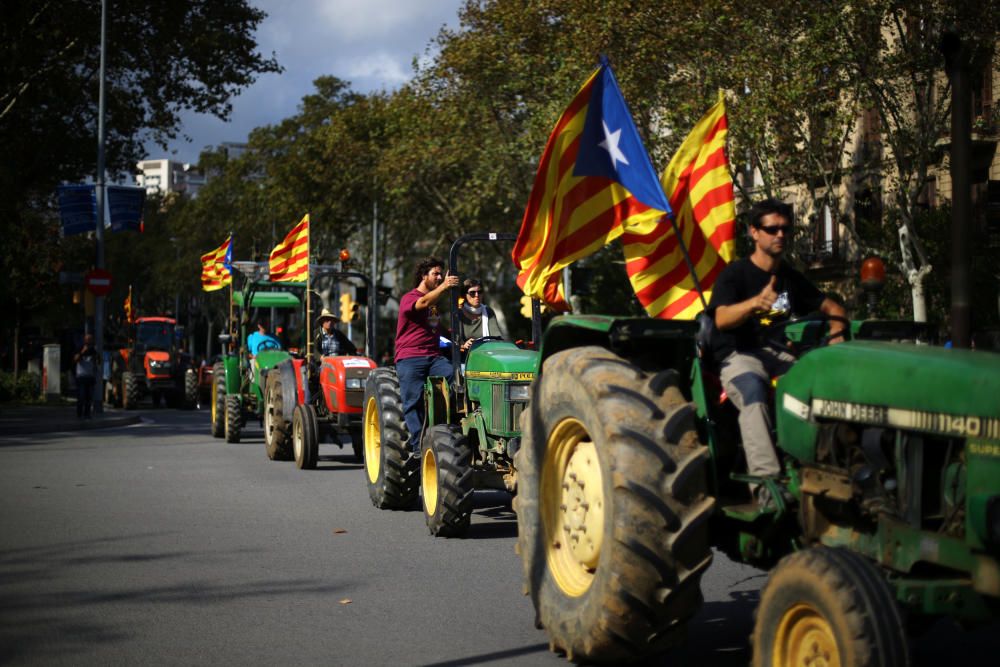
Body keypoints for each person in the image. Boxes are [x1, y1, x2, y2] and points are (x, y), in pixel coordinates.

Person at [706, 198, 846, 503]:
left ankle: (823, 472)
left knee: (822, 390)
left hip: (777, 354)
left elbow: (833, 307)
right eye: (772, 229)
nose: (780, 235)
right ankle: (766, 485)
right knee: (753, 393)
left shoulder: (789, 278)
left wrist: (837, 332)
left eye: (785, 229)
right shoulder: (735, 275)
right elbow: (721, 318)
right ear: (754, 232)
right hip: (739, 356)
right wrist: (755, 303)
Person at [394, 257, 459, 455]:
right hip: (410, 357)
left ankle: (449, 430)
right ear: (424, 277)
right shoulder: (410, 297)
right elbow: (421, 303)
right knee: (411, 400)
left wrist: (457, 343)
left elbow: (438, 333)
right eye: (435, 274)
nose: (439, 277)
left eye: (441, 274)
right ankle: (417, 445)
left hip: (433, 356)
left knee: (455, 378)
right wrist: (445, 287)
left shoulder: (433, 306)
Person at [458, 278, 506, 353]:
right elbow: (456, 342)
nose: (477, 295)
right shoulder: (458, 313)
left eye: (479, 292)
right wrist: (464, 345)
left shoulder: (488, 311)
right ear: (465, 295)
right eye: (472, 293)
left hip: (487, 354)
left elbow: (496, 338)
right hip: (466, 357)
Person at [74, 333, 98, 419]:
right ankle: (79, 414)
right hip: (81, 376)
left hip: (90, 376)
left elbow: (97, 362)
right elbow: (75, 359)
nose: (89, 341)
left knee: (89, 397)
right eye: (87, 339)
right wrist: (82, 352)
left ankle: (87, 414)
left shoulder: (93, 350)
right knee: (81, 396)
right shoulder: (80, 348)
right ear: (84, 340)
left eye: (90, 339)